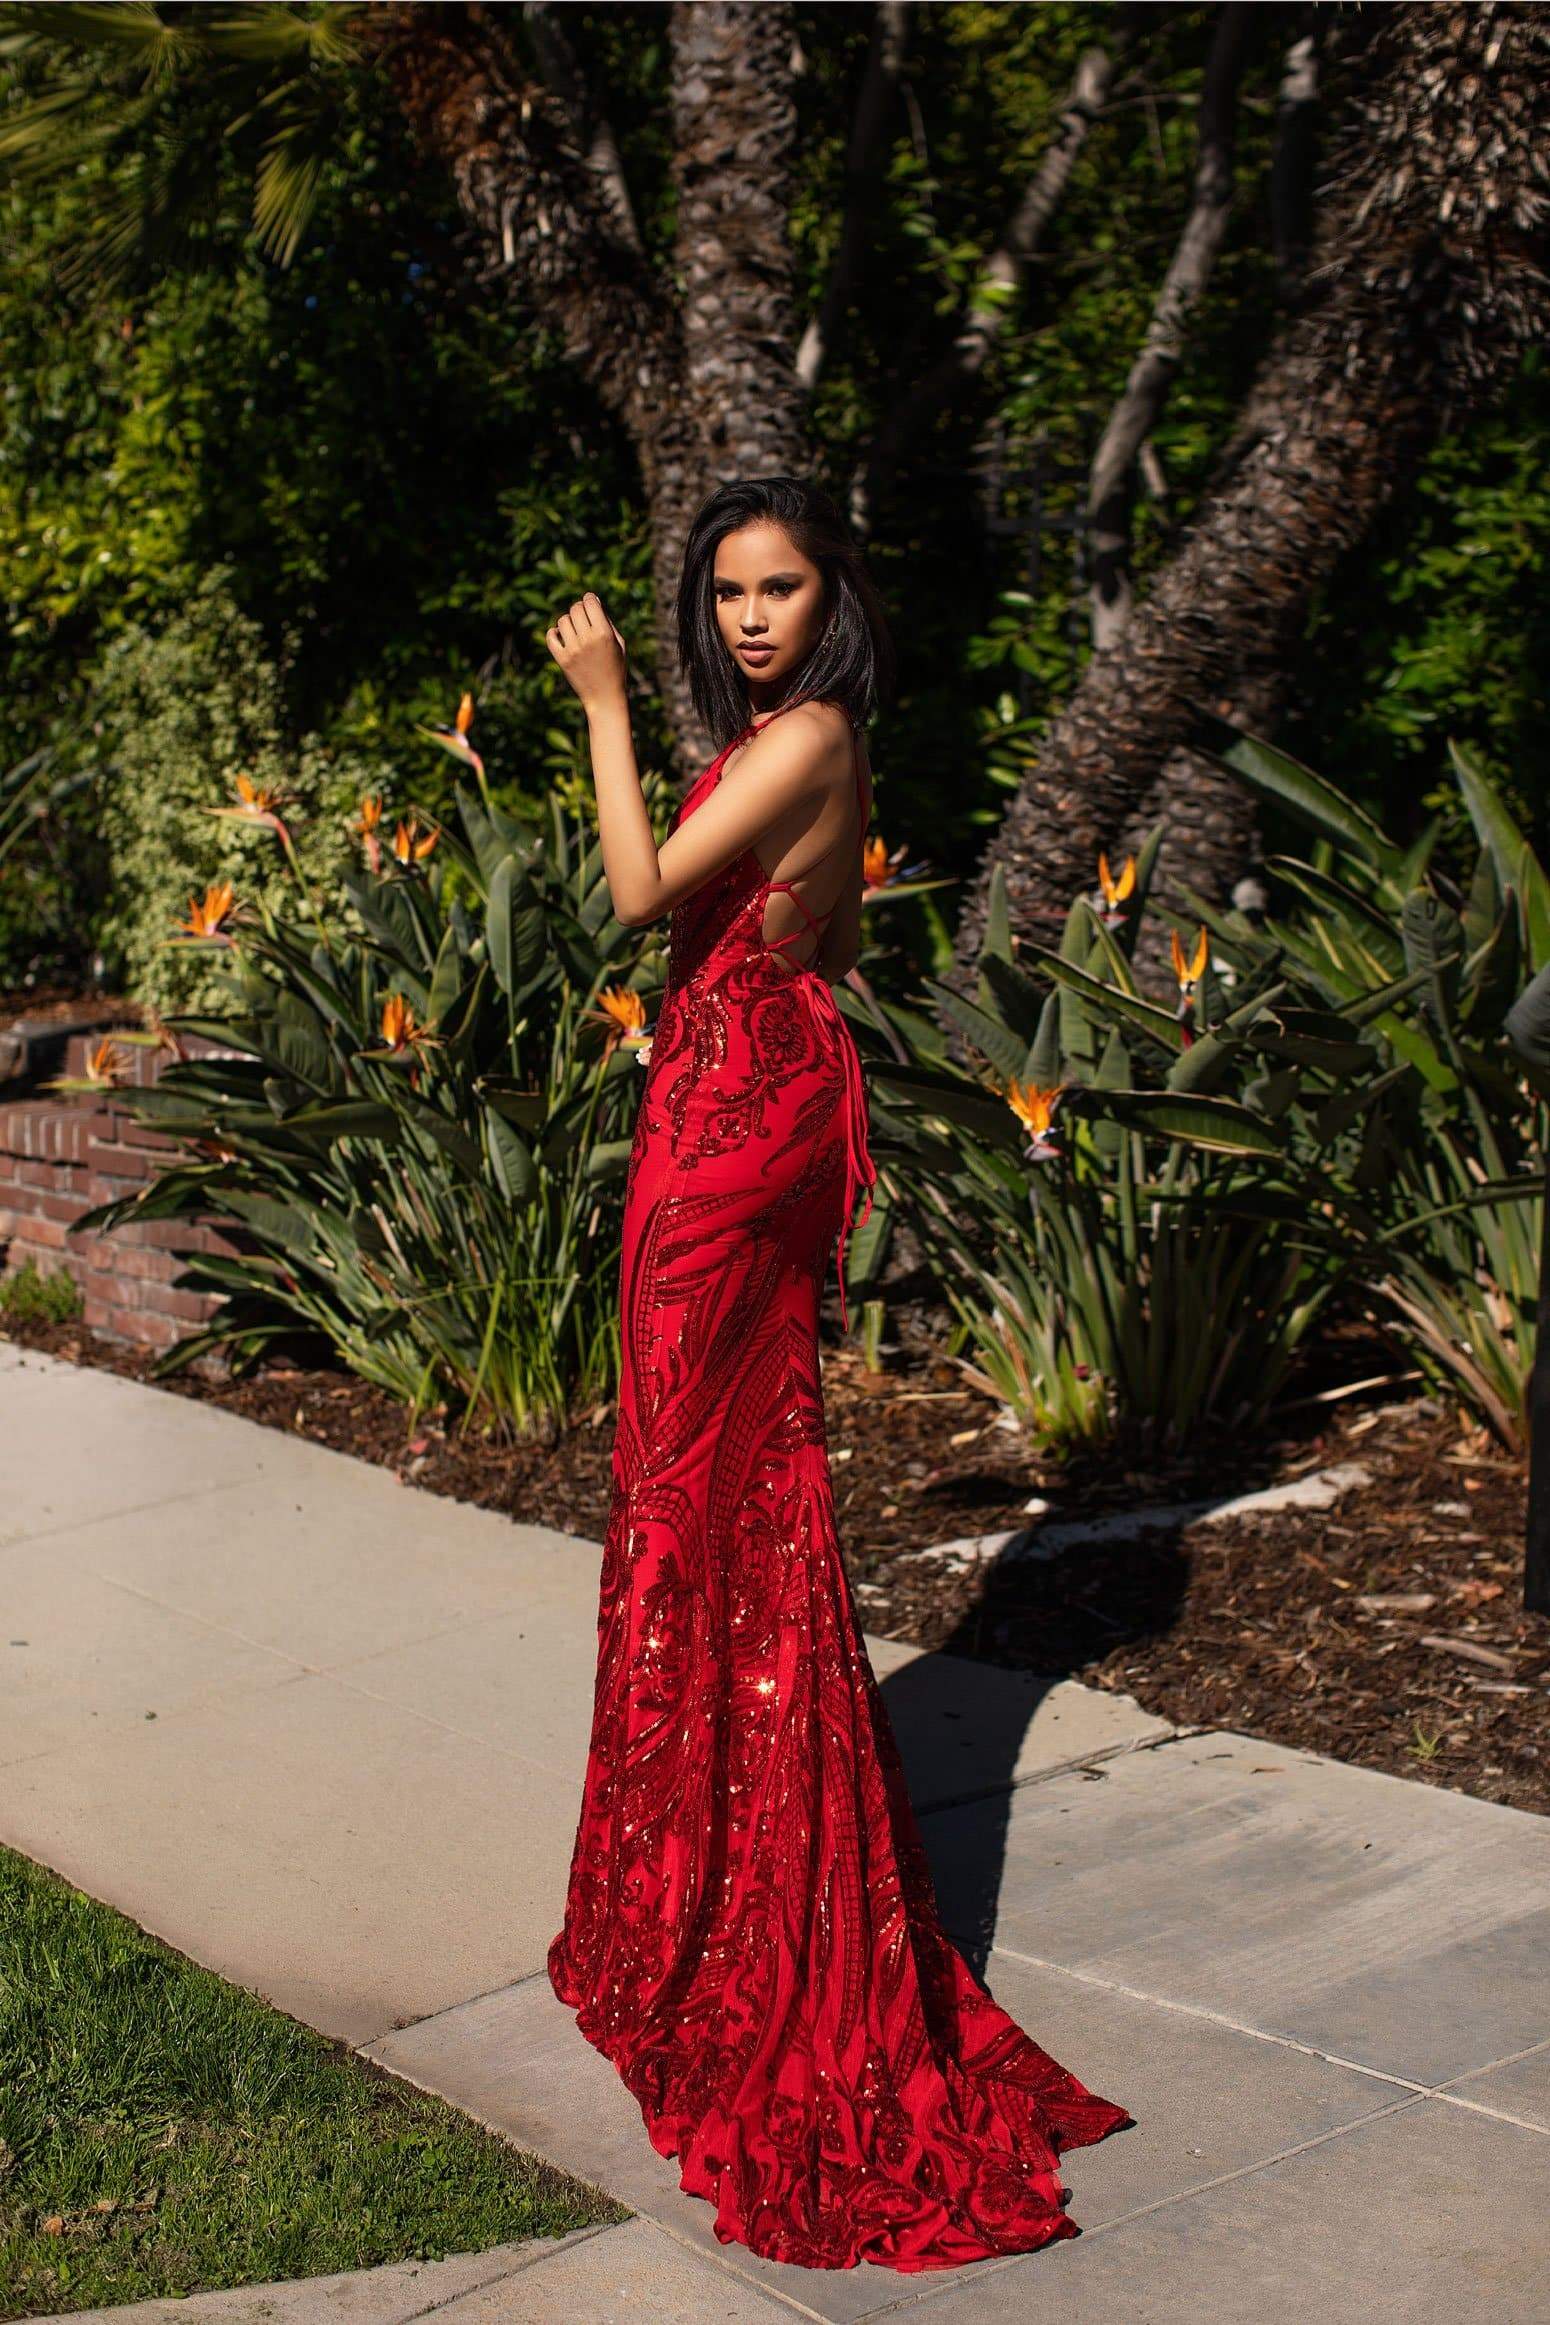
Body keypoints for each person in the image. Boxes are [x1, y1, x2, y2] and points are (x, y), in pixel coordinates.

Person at [542, 475, 1135, 2273]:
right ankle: (701, 1869)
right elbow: (823, 948)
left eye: (777, 585)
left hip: (729, 1126)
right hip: (766, 1096)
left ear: (833, 597)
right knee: (722, 1494)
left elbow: (636, 893)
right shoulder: (815, 746)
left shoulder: (799, 736)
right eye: (722, 591)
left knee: (689, 1498)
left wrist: (601, 710)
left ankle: (728, 1913)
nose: (745, 615)